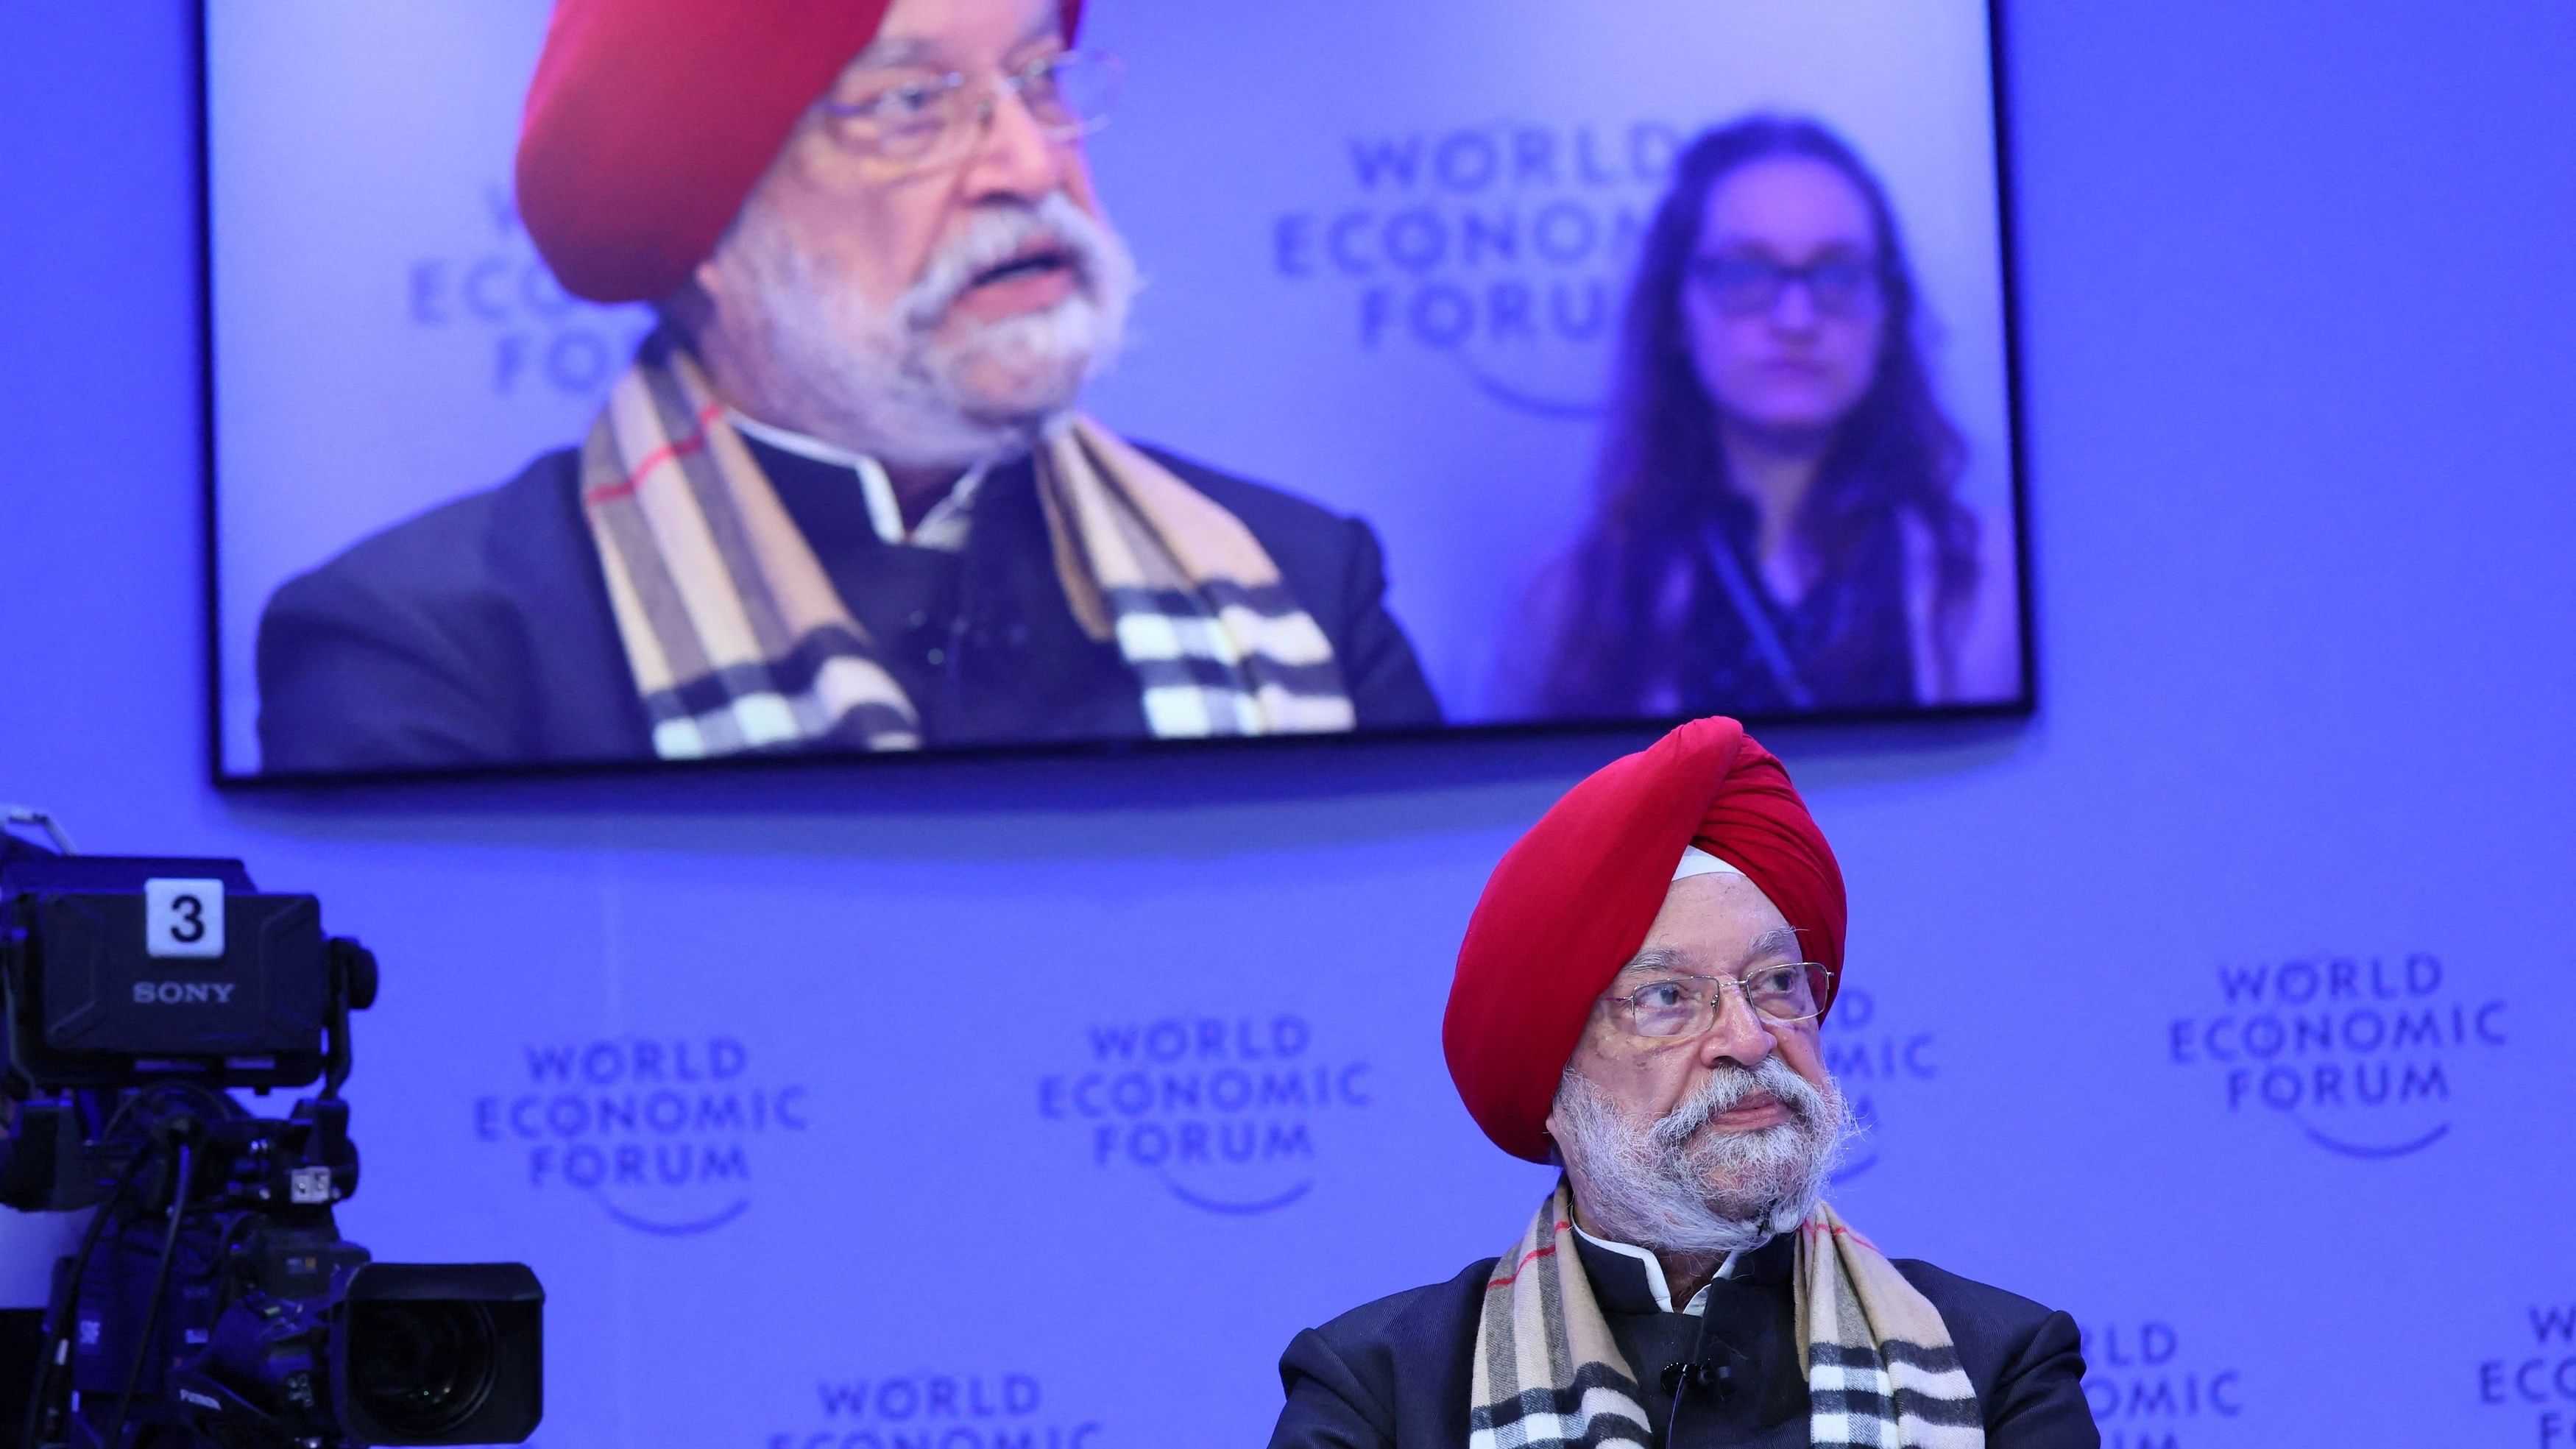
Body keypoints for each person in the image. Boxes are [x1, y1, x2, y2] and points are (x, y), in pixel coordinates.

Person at [255, 0, 1438, 774]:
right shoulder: (432, 651)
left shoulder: (1302, 585)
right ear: (702, 222)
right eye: (910, 105)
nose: (1028, 164)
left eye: (1039, 81)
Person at [1267, 717, 2094, 1448]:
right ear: (1552, 1080)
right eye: (1667, 998)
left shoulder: (1998, 1371)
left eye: (1776, 981)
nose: (1747, 1037)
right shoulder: (1382, 1396)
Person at [1518, 116, 2017, 719]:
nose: (1795, 318)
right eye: (1745, 273)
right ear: (1676, 313)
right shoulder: (1573, 604)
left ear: (1887, 313)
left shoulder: (1998, 579)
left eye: (1837, 274)